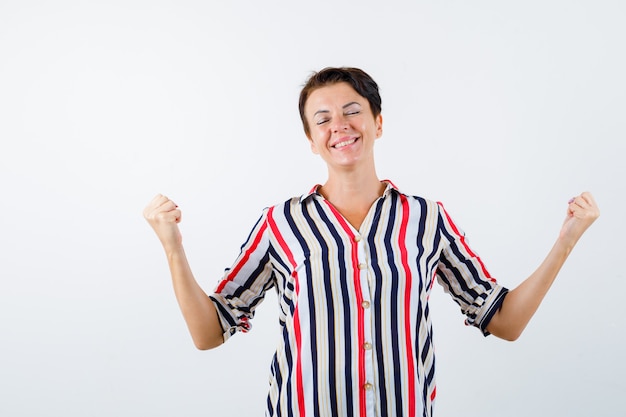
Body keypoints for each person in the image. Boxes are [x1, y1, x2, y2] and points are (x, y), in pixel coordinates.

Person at [143, 67, 600, 417]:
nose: (338, 125)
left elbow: (503, 321)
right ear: (311, 141)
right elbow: (210, 333)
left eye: (352, 110)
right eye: (322, 119)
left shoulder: (426, 219)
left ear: (378, 123)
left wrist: (566, 240)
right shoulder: (279, 223)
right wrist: (172, 245)